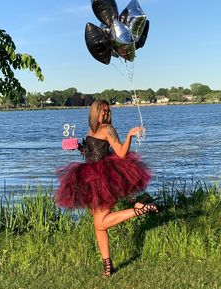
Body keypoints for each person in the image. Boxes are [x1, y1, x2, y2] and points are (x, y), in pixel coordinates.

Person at [55, 99, 158, 277]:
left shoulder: (108, 129)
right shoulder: (92, 129)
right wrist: (79, 147)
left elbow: (120, 152)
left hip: (105, 179)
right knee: (99, 226)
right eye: (103, 111)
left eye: (107, 111)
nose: (105, 114)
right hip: (90, 178)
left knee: (100, 222)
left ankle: (138, 210)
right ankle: (108, 267)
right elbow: (94, 151)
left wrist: (130, 136)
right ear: (94, 112)